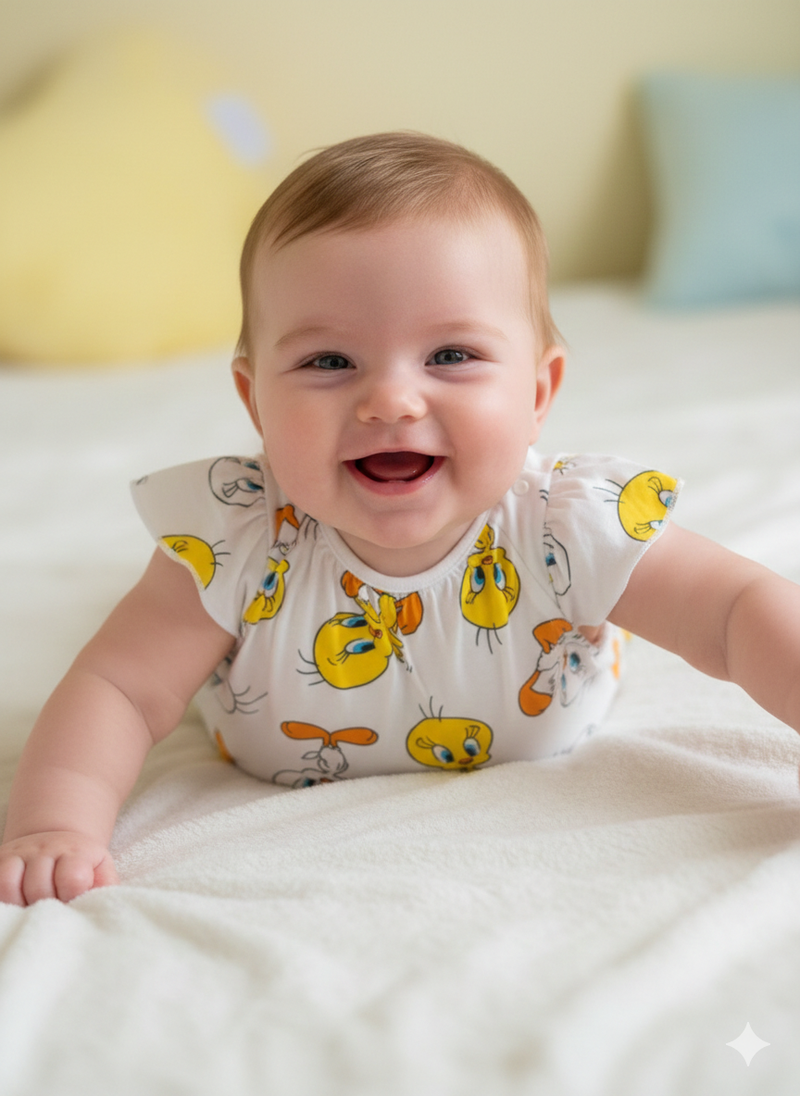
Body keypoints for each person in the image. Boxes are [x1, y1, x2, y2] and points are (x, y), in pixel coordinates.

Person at [1, 132, 799, 907]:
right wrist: (52, 823)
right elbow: (119, 688)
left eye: (451, 355)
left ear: (537, 396)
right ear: (254, 402)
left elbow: (736, 612)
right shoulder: (230, 543)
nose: (389, 400)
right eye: (328, 362)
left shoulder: (565, 526)